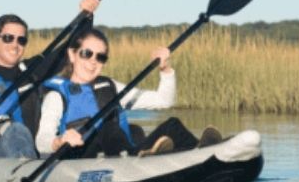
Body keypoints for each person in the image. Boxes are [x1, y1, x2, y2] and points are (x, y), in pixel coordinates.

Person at [35, 27, 222, 158]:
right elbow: (42, 141)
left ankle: (206, 154)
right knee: (108, 128)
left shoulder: (111, 87)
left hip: (120, 155)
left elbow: (164, 101)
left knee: (173, 125)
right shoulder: (56, 96)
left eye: (100, 57)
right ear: (72, 55)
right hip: (80, 159)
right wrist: (59, 141)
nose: (93, 61)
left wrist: (165, 70)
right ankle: (138, 156)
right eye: (87, 54)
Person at [0, 0, 100, 158]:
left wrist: (86, 16)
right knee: (16, 129)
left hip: (32, 154)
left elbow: (70, 51)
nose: (15, 45)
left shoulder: (32, 70)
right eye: (8, 38)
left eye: (21, 40)